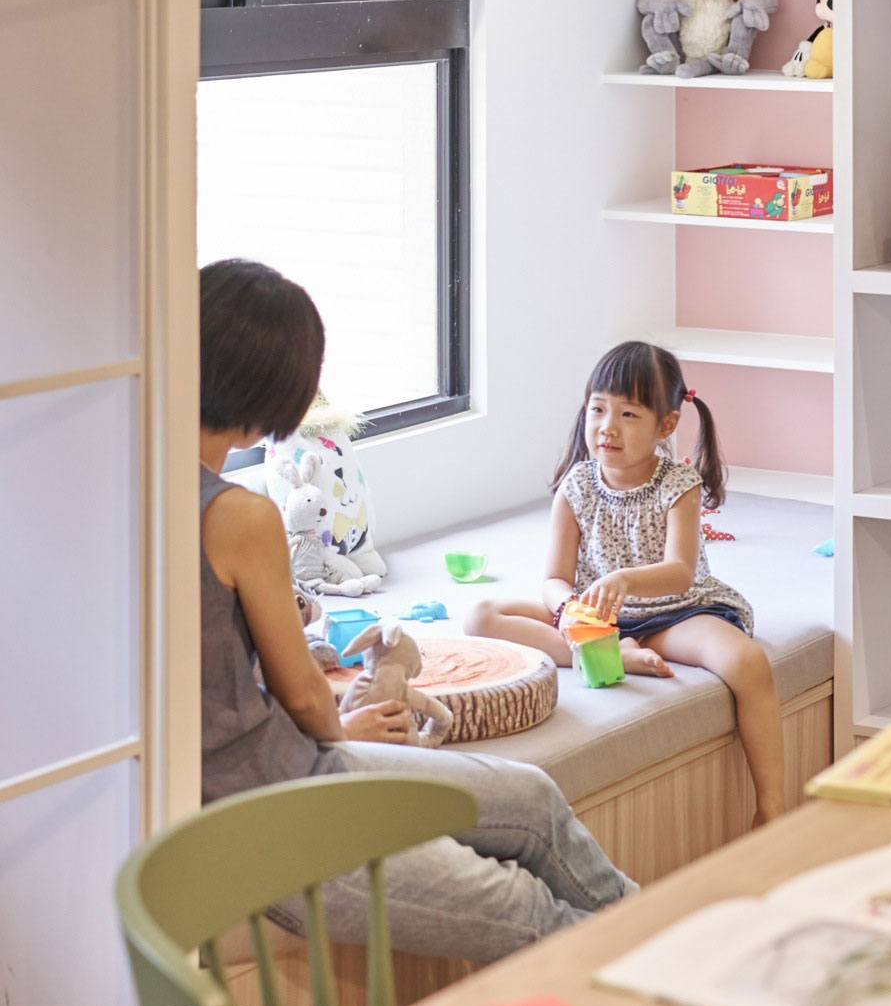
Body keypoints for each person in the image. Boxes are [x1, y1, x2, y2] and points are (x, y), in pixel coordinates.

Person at [198, 258, 634, 965]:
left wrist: (332, 731)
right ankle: (653, 985)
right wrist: (339, 728)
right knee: (526, 909)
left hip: (284, 767)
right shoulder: (237, 515)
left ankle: (655, 949)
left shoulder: (145, 480)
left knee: (531, 799)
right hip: (263, 817)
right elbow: (302, 689)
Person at [465, 341, 785, 825]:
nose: (607, 427)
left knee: (748, 661)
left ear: (666, 425)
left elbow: (680, 570)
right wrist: (568, 609)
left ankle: (773, 806)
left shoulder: (679, 485)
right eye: (598, 410)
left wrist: (624, 580)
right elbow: (554, 577)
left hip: (678, 612)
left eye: (628, 414)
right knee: (479, 616)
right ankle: (613, 655)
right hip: (599, 619)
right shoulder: (576, 486)